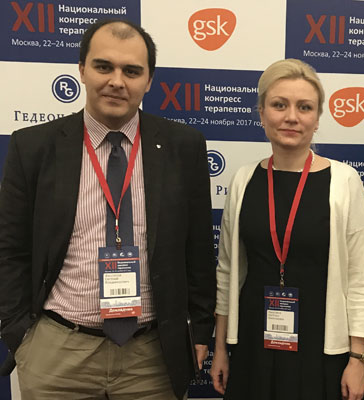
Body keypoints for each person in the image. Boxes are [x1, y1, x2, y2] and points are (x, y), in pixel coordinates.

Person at [0, 19, 215, 399]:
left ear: (149, 81)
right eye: (104, 66)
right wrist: (20, 336)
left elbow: (197, 249)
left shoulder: (184, 147)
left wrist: (199, 330)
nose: (117, 81)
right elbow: (10, 248)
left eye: (131, 71)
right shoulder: (33, 147)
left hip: (151, 359)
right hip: (57, 353)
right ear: (82, 69)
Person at [209, 58, 364, 400]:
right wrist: (222, 349)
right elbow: (227, 272)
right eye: (279, 105)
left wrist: (357, 359)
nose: (291, 117)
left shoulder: (344, 181)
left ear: (317, 118)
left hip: (322, 347)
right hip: (254, 342)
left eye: (304, 107)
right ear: (261, 113)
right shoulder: (243, 180)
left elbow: (362, 277)